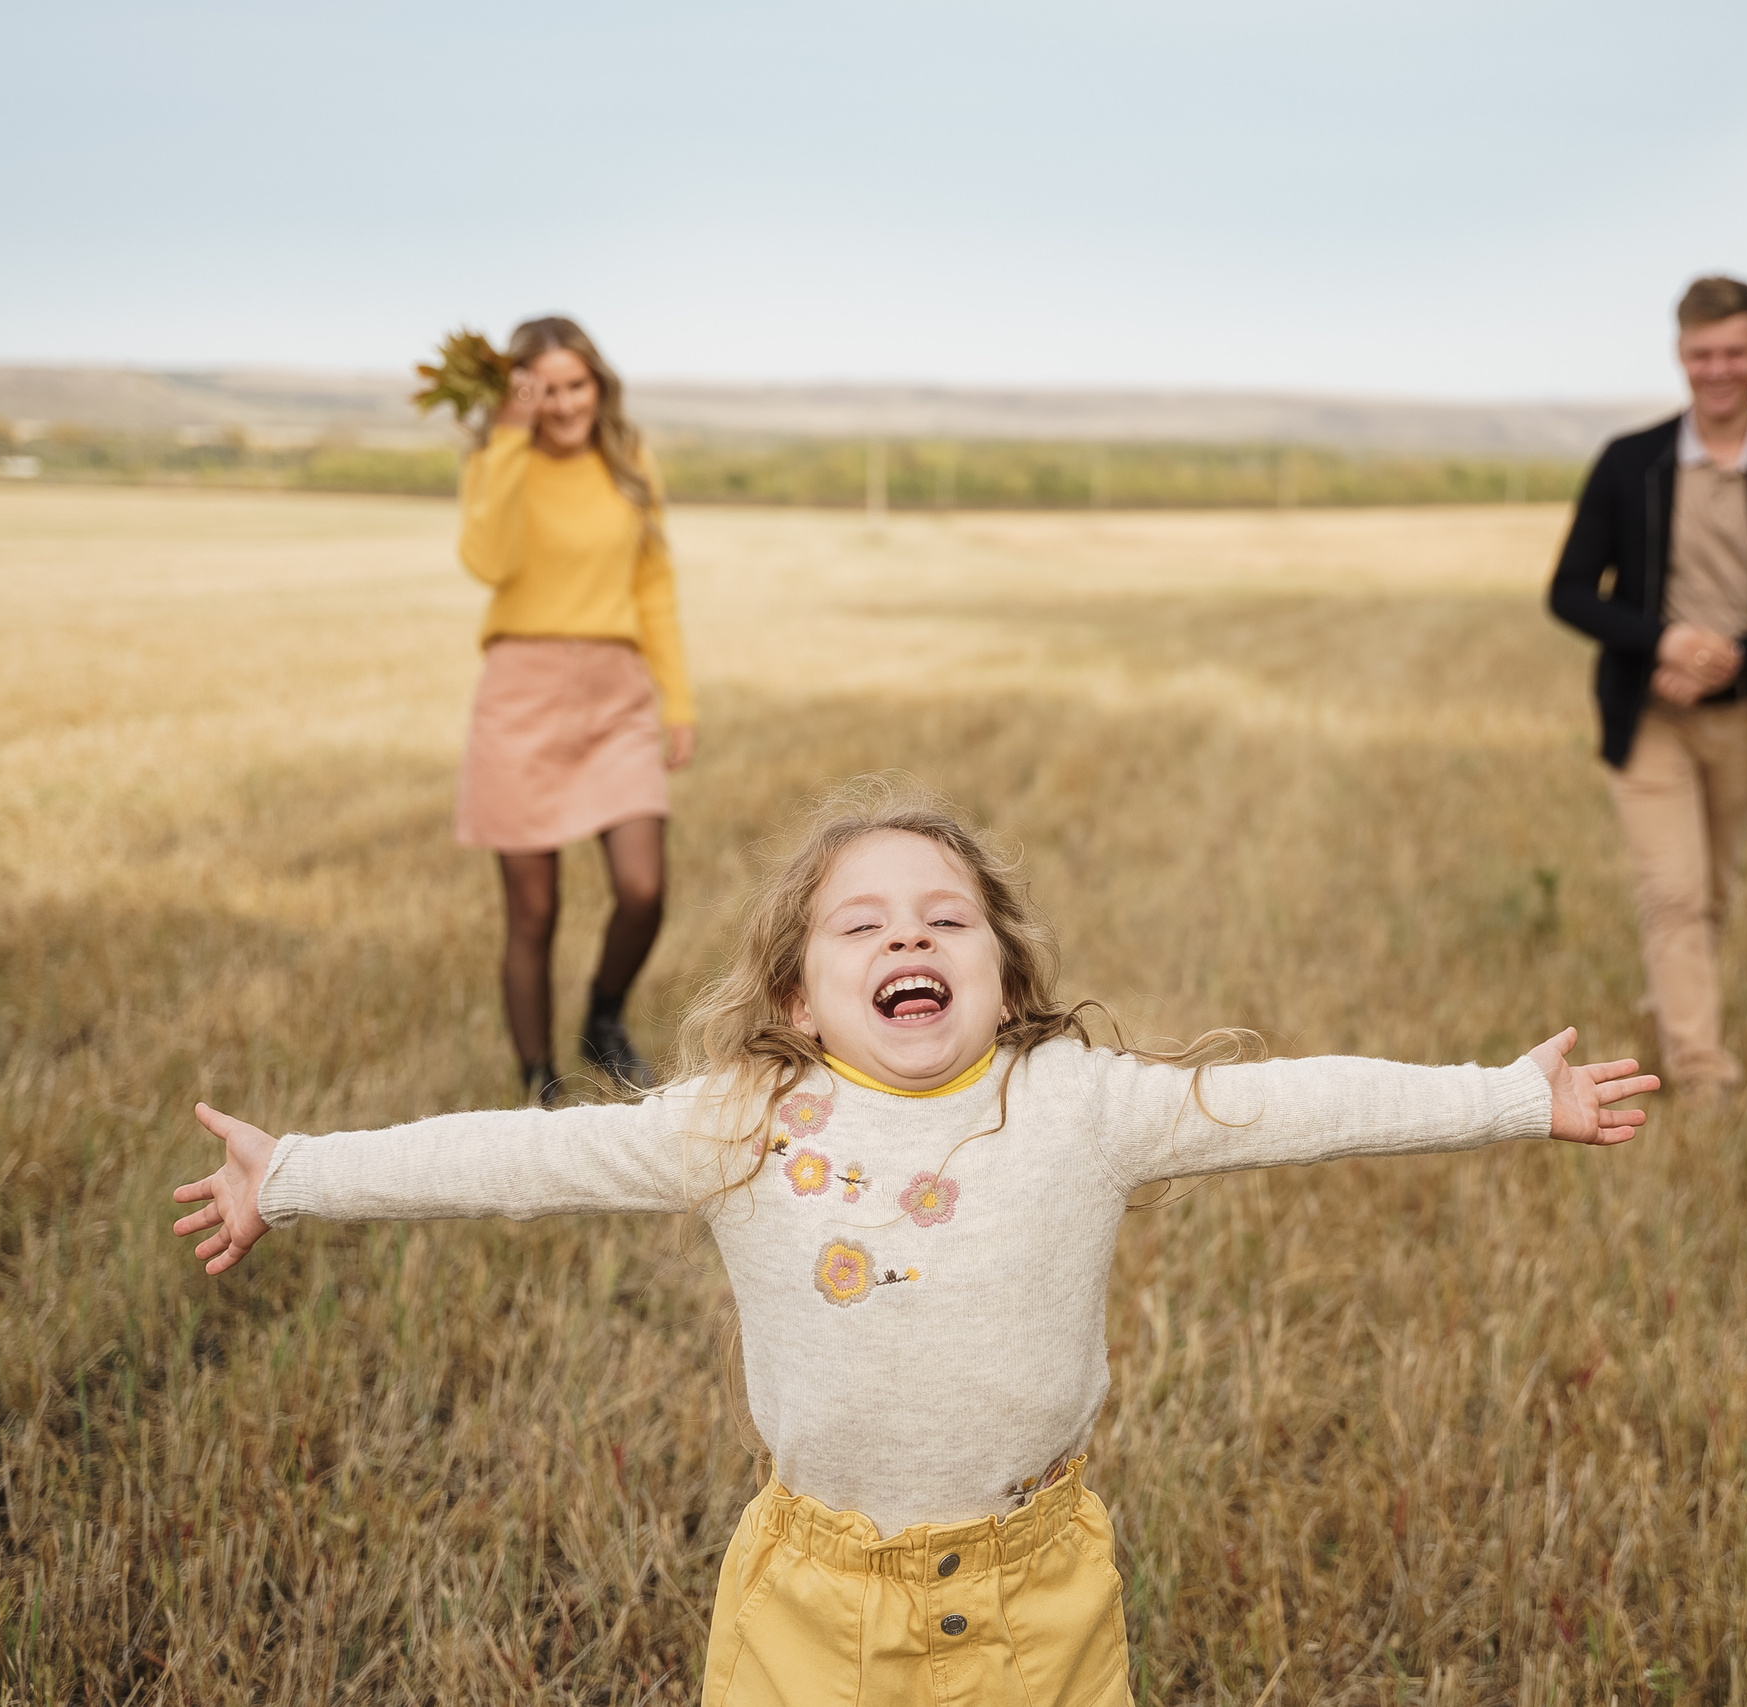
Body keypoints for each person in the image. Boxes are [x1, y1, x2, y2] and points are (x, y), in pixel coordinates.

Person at [171, 777, 1657, 1706]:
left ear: (1005, 979)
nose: (909, 940)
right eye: (862, 926)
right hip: (809, 1607)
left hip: (1039, 1593)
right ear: (801, 996)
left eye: (947, 918)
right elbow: (522, 1150)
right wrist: (293, 1172)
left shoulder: (1079, 1102)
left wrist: (1513, 1097)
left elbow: (1291, 1102)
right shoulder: (740, 1119)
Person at [1547, 277, 1747, 1097]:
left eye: (1733, 351)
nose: (1717, 368)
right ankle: (1700, 1068)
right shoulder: (1631, 462)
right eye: (1701, 354)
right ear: (1680, 356)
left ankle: (1672, 1001)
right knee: (1675, 890)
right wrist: (1664, 640)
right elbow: (1570, 589)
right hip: (1645, 714)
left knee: (1712, 890)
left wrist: (1742, 656)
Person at [454, 316, 697, 1105]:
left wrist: (677, 699)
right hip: (520, 692)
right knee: (533, 911)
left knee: (642, 887)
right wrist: (508, 437)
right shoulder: (499, 463)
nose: (564, 404)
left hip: (615, 691)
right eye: (544, 389)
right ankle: (539, 1087)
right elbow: (486, 561)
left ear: (598, 384)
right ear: (520, 393)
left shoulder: (629, 462)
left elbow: (654, 587)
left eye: (575, 385)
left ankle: (604, 1018)